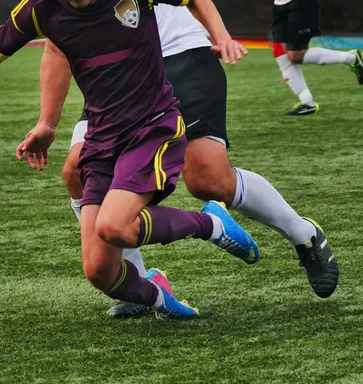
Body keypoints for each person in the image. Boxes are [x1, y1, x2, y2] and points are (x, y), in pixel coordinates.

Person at [0, 0, 259, 319]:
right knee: (99, 271)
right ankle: (158, 297)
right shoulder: (40, 9)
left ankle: (210, 224)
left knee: (114, 225)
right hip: (101, 139)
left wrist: (222, 37)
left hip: (152, 126)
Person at [47, 4, 339, 319]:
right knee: (77, 168)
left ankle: (302, 233)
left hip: (180, 56)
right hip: (116, 72)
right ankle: (138, 279)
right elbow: (52, 45)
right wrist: (46, 123)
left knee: (208, 180)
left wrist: (222, 36)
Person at [272, 0, 363, 115]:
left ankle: (351, 58)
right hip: (279, 4)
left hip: (300, 3)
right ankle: (308, 103)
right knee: (280, 50)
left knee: (296, 55)